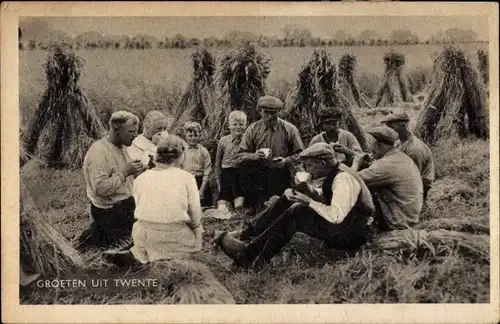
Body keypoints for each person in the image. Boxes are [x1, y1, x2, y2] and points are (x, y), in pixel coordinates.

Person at [217, 142, 375, 269]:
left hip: (353, 233)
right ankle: (247, 234)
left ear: (322, 163)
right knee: (290, 197)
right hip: (347, 224)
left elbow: (336, 216)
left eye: (311, 166)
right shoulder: (334, 171)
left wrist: (308, 201)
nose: (309, 170)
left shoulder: (343, 179)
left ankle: (250, 255)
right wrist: (308, 191)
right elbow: (330, 199)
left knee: (298, 212)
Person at [104, 135, 203, 266]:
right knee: (195, 229)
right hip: (177, 236)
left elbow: (141, 208)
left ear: (157, 156)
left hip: (147, 236)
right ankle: (184, 252)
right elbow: (195, 215)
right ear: (180, 156)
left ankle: (140, 255)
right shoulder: (187, 177)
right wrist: (197, 235)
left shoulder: (140, 178)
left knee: (142, 225)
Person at [77, 111, 145, 249]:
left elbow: (123, 179)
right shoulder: (99, 153)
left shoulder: (121, 146)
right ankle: (99, 233)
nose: (136, 135)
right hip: (109, 211)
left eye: (136, 131)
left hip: (125, 205)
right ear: (116, 129)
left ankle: (98, 233)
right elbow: (100, 189)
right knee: (129, 244)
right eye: (131, 131)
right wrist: (125, 172)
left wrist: (139, 171)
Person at [238, 96, 305, 212]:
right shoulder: (253, 129)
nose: (270, 117)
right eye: (266, 113)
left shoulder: (289, 129)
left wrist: (286, 160)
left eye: (274, 113)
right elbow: (242, 155)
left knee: (278, 199)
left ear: (280, 112)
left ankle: (271, 204)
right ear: (259, 111)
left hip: (281, 170)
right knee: (246, 167)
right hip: (260, 169)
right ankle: (254, 205)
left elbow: (301, 155)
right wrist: (255, 155)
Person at [352, 126, 423, 231]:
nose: (370, 149)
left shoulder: (384, 165)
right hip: (411, 215)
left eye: (371, 145)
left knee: (356, 191)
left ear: (377, 145)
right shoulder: (399, 157)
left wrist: (356, 163)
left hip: (400, 221)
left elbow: (350, 179)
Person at [380, 111, 435, 201]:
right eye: (387, 127)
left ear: (403, 126)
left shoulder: (414, 149)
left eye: (392, 126)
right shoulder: (398, 142)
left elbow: (414, 180)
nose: (388, 130)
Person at [214, 110, 247, 214]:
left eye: (241, 124)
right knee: (223, 200)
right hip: (226, 172)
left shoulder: (247, 139)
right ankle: (225, 203)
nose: (238, 127)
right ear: (229, 125)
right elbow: (217, 163)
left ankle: (239, 204)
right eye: (234, 124)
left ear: (246, 125)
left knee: (239, 199)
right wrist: (218, 181)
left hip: (241, 171)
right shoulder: (223, 141)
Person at [181, 121, 213, 207]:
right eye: (190, 136)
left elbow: (207, 171)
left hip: (200, 181)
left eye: (195, 135)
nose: (193, 138)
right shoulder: (181, 151)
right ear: (185, 136)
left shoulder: (204, 151)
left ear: (199, 136)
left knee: (204, 206)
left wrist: (202, 189)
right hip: (186, 181)